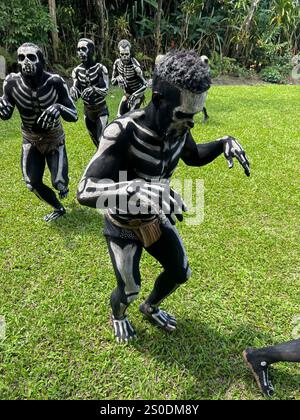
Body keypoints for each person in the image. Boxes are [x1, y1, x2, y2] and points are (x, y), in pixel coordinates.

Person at [77, 50, 250, 343]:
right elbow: (84, 189)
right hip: (122, 225)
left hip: (154, 219)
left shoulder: (178, 129)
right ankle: (118, 314)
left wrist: (222, 144)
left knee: (180, 272)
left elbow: (193, 156)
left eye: (193, 116)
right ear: (158, 100)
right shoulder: (123, 132)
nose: (190, 123)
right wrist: (133, 187)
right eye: (184, 115)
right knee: (129, 288)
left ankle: (151, 305)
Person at [0, 43, 78, 222]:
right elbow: (6, 113)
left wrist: (58, 107)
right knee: (31, 182)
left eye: (31, 57)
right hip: (31, 139)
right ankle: (58, 208)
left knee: (59, 182)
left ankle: (62, 185)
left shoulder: (55, 82)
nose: (26, 62)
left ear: (41, 60)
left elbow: (73, 115)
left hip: (54, 138)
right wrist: (2, 108)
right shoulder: (11, 83)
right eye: (21, 58)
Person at [71, 38, 109, 148]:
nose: (80, 53)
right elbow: (76, 91)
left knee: (102, 139)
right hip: (87, 112)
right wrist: (73, 92)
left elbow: (105, 90)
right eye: (78, 50)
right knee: (95, 141)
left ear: (91, 51)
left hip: (101, 109)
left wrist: (94, 89)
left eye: (83, 49)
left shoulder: (101, 69)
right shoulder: (76, 71)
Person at [111, 40, 147, 117]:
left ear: (130, 53)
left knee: (130, 117)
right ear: (119, 54)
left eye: (127, 54)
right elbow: (113, 82)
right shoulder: (117, 63)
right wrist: (117, 78)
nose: (125, 57)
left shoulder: (135, 65)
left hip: (137, 96)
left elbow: (145, 85)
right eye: (122, 54)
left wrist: (135, 95)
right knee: (119, 116)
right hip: (127, 95)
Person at [200, 55, 210, 122]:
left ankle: (206, 116)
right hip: (201, 87)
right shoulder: (204, 68)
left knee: (200, 103)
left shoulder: (206, 70)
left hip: (204, 88)